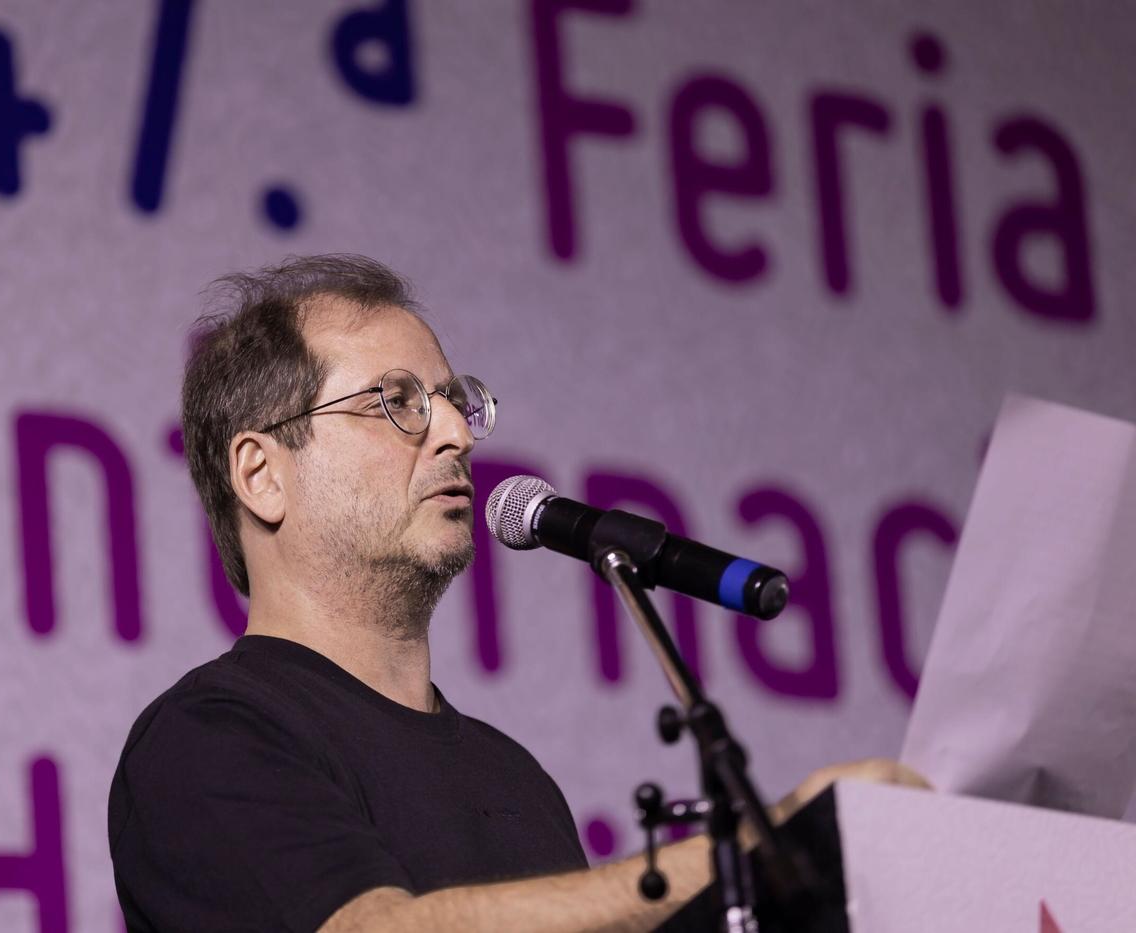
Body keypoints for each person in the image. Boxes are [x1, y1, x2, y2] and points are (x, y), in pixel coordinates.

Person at [107, 254, 924, 932]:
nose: (456, 433)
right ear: (262, 473)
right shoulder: (209, 735)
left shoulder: (512, 775)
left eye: (457, 401)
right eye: (396, 402)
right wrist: (758, 851)